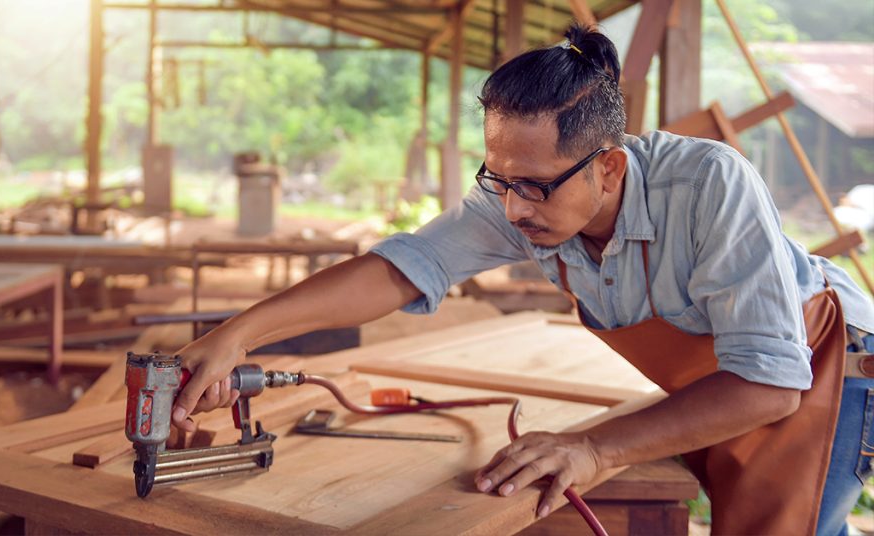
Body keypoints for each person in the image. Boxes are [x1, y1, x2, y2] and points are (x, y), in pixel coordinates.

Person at [170, 24, 874, 536]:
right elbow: (407, 265)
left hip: (829, 367)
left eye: (533, 187)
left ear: (609, 167)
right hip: (734, 375)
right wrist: (238, 334)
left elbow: (771, 383)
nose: (513, 209)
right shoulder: (524, 194)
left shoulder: (709, 183)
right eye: (498, 181)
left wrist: (594, 447)